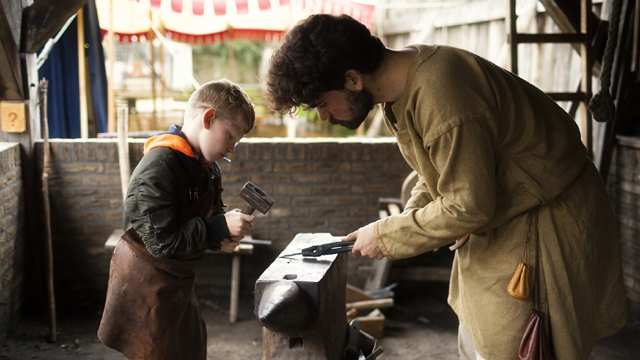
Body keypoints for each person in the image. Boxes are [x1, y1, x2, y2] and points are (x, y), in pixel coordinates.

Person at [265, 14, 629, 360]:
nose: (324, 116)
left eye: (322, 104)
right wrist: (410, 218)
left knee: (518, 345)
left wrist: (387, 234)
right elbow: (436, 171)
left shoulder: (440, 93)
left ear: (353, 79)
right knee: (478, 333)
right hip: (503, 219)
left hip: (543, 222)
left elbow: (469, 204)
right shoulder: (399, 89)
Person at [98, 79, 256, 360]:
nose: (232, 148)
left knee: (190, 350)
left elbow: (208, 218)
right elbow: (163, 242)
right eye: (231, 137)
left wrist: (221, 238)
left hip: (179, 283)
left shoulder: (206, 167)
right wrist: (218, 226)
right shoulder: (160, 166)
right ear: (208, 118)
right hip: (146, 285)